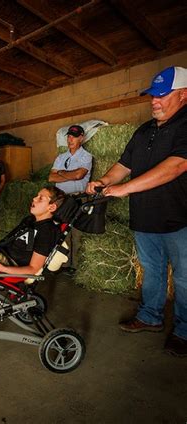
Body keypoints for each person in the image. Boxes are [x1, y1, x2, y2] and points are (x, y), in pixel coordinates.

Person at [86, 66, 187, 357]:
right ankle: (151, 317)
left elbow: (178, 165)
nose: (154, 101)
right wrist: (105, 181)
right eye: (152, 95)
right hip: (145, 218)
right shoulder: (144, 130)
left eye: (162, 94)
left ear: (183, 95)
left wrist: (125, 189)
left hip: (180, 217)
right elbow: (124, 165)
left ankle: (184, 331)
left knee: (184, 277)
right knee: (153, 272)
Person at [48, 124, 93, 271]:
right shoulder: (61, 157)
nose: (70, 139)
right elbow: (50, 177)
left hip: (78, 198)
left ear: (81, 138)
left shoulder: (86, 156)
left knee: (76, 233)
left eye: (74, 136)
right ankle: (64, 265)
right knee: (62, 232)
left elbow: (79, 175)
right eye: (69, 136)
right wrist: (70, 175)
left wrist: (61, 173)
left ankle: (76, 267)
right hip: (61, 199)